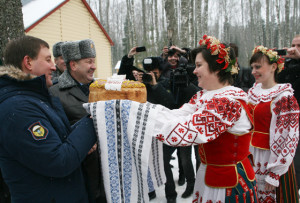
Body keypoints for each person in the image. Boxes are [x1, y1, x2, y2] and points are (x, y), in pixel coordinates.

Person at [152, 35, 257, 202]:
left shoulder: (228, 103)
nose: (194, 70)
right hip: (210, 175)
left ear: (216, 69)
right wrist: (144, 113)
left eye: (199, 65)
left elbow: (187, 131)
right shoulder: (204, 96)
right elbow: (178, 114)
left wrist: (144, 124)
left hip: (229, 182)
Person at [0, 35, 97, 202]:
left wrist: (81, 141)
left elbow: (59, 140)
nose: (54, 67)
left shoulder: (36, 99)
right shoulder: (18, 109)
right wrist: (95, 118)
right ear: (28, 62)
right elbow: (58, 161)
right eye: (47, 60)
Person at [49, 39, 106, 203]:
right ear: (73, 65)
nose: (93, 66)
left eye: (94, 61)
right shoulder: (54, 93)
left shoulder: (100, 89)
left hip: (105, 173)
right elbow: (54, 135)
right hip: (79, 176)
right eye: (88, 62)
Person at [249, 45, 299, 202]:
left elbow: (289, 136)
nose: (253, 71)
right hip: (251, 155)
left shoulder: (284, 97)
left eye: (258, 67)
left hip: (271, 158)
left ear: (273, 67)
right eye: (252, 67)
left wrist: (275, 172)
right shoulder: (253, 92)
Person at [278, 35, 300, 190]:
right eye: (293, 45)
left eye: (299, 46)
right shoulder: (288, 64)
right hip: (289, 116)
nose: (294, 49)